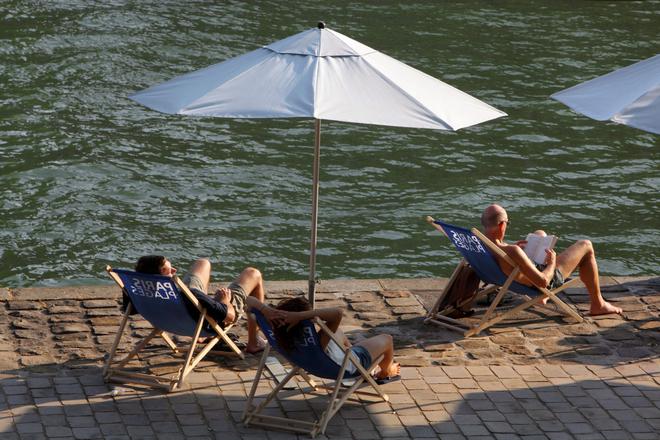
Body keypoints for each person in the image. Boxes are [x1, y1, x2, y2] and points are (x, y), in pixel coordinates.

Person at [480, 204, 622, 316]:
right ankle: (598, 304)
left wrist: (515, 250)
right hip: (538, 282)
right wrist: (552, 261)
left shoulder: (481, 242)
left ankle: (544, 297)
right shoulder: (512, 251)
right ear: (501, 225)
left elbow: (506, 256)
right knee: (586, 245)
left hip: (516, 275)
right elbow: (543, 281)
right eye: (507, 223)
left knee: (540, 234)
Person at [135, 255, 272, 353]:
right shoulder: (193, 294)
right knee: (253, 273)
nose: (175, 271)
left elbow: (130, 310)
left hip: (170, 318)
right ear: (162, 277)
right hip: (204, 320)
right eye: (170, 271)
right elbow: (229, 317)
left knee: (203, 263)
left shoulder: (139, 292)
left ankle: (200, 336)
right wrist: (224, 300)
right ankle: (254, 342)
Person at [247, 295, 401, 383]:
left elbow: (249, 300)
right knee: (387, 339)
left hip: (309, 363)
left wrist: (266, 310)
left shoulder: (278, 332)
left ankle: (351, 353)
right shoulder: (319, 341)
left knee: (337, 333)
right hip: (345, 368)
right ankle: (384, 372)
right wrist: (302, 316)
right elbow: (337, 314)